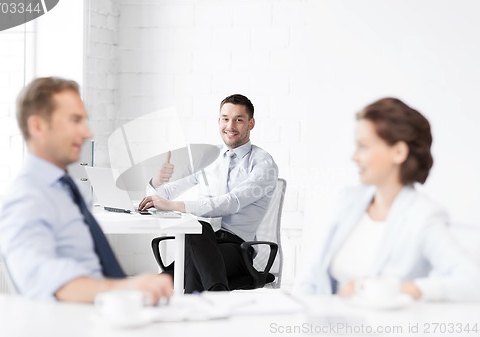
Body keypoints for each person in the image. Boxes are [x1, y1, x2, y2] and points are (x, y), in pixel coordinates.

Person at [0, 77, 173, 303]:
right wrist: (128, 288)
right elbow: (48, 278)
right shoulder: (25, 199)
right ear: (37, 126)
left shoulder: (63, 189)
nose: (88, 133)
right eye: (75, 120)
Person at [294, 97, 480, 301]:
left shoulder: (423, 216)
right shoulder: (349, 201)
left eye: (363, 146)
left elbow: (471, 282)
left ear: (399, 152)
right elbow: (312, 275)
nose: (354, 157)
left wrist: (399, 289)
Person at [139, 94, 278, 293]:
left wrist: (173, 206)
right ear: (218, 121)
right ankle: (216, 297)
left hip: (237, 248)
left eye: (239, 119)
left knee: (195, 234)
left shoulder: (263, 163)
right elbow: (167, 192)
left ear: (251, 123)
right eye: (225, 118)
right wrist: (157, 181)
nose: (230, 125)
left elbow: (231, 202)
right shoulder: (208, 156)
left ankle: (211, 299)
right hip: (199, 243)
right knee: (157, 285)